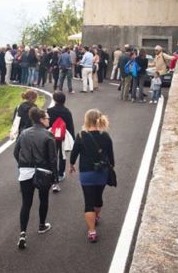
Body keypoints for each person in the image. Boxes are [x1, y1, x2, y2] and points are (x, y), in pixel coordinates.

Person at [13, 107, 58, 249]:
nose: (49, 120)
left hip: (25, 171)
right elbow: (53, 158)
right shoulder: (48, 135)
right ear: (41, 119)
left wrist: (22, 165)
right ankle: (41, 225)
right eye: (47, 118)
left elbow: (16, 152)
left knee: (26, 203)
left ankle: (22, 233)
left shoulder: (24, 133)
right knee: (43, 199)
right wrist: (55, 177)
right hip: (42, 171)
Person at [69, 109, 115, 243]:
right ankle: (96, 217)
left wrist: (72, 165)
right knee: (98, 197)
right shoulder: (105, 135)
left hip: (86, 173)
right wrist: (110, 167)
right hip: (102, 172)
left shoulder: (81, 135)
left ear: (86, 120)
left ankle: (92, 231)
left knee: (88, 201)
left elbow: (74, 153)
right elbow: (111, 157)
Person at [47, 91, 75, 193]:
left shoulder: (49, 111)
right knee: (62, 155)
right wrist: (72, 138)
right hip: (63, 137)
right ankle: (61, 173)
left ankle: (50, 172)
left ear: (54, 100)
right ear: (64, 100)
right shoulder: (67, 112)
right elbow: (70, 126)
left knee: (51, 155)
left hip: (50, 136)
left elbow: (46, 124)